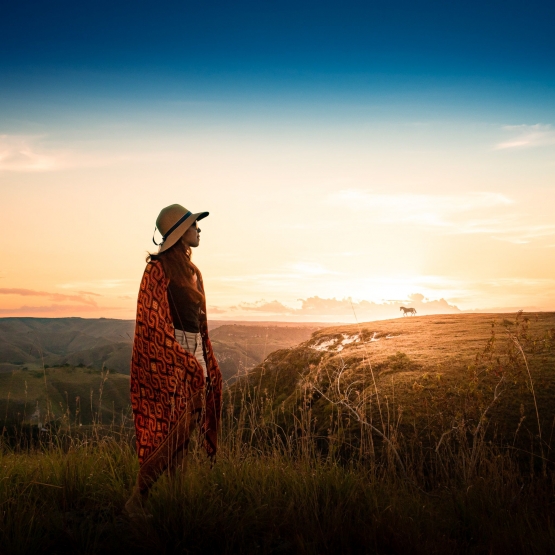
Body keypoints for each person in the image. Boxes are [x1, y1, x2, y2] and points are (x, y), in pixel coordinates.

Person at [124, 203, 223, 517]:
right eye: (194, 226)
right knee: (176, 430)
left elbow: (198, 322)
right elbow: (151, 321)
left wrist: (204, 357)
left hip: (194, 353)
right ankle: (138, 498)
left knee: (187, 430)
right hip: (171, 355)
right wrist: (182, 357)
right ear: (181, 233)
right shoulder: (158, 269)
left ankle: (177, 498)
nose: (199, 230)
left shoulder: (191, 271)